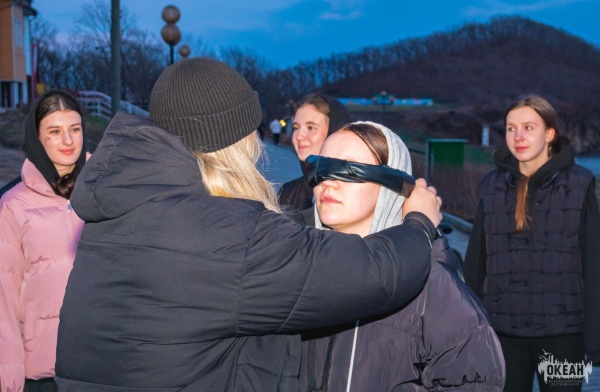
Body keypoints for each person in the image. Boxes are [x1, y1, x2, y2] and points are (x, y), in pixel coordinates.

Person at [54, 58, 442, 391]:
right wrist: (420, 222)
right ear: (233, 143)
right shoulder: (225, 234)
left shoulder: (125, 204)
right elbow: (373, 273)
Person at [296, 121, 505, 391]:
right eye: (321, 168)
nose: (329, 182)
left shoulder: (430, 286)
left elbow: (475, 382)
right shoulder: (295, 267)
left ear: (391, 186)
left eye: (350, 170)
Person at [463, 95, 600, 392]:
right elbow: (476, 264)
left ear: (549, 134)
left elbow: (593, 264)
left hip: (564, 335)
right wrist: (468, 333)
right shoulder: (491, 186)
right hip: (503, 334)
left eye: (528, 127)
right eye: (511, 129)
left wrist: (595, 342)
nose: (518, 136)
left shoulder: (580, 184)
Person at [0, 89, 88, 392]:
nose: (68, 140)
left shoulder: (105, 193)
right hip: (42, 375)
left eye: (75, 129)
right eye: (55, 131)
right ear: (37, 138)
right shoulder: (12, 206)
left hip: (102, 366)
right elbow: (3, 301)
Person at [278, 92, 351, 210]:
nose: (299, 136)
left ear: (334, 132)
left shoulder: (354, 193)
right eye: (296, 127)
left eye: (311, 127)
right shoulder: (286, 194)